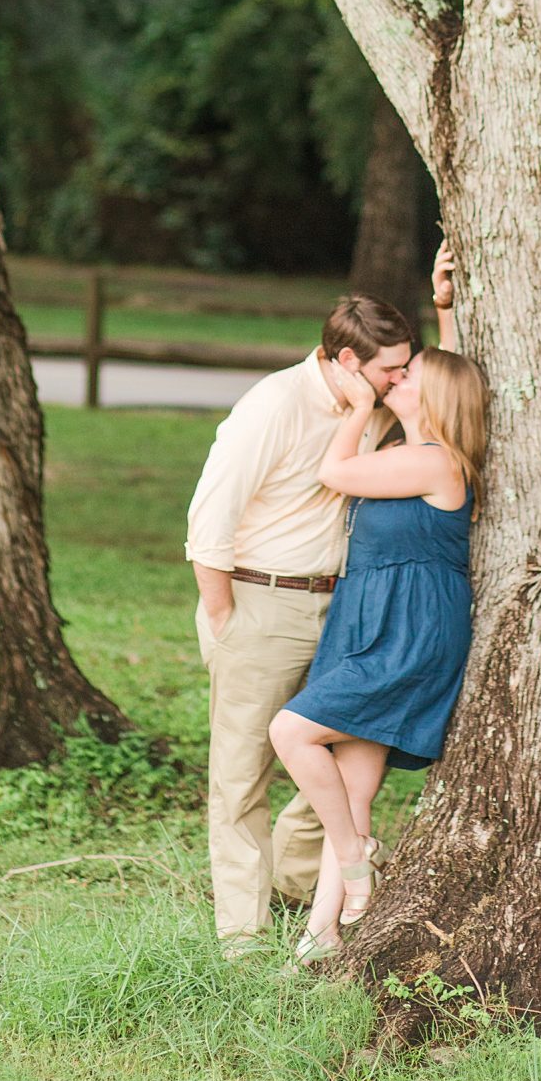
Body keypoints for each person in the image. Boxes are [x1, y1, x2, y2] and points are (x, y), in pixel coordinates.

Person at [185, 293, 413, 949]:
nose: (401, 379)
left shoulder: (371, 405)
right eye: (389, 368)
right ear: (348, 360)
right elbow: (210, 518)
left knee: (348, 755)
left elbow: (439, 386)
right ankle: (243, 939)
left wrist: (443, 305)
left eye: (405, 367)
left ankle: (295, 875)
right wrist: (227, 617)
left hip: (343, 605)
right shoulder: (274, 405)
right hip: (262, 602)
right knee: (241, 773)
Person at [268, 300, 488, 963]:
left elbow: (333, 473)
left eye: (406, 375)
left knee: (291, 730)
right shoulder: (406, 445)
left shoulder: (435, 460)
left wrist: (359, 409)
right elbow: (448, 371)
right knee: (354, 782)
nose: (393, 379)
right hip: (370, 617)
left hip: (409, 628)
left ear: (436, 394)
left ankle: (352, 854)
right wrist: (443, 307)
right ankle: (323, 932)